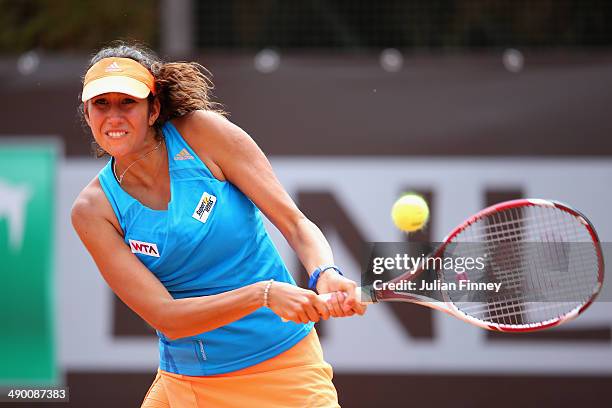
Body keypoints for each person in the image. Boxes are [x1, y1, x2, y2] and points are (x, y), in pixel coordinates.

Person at [71, 41, 366, 407]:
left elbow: (295, 223)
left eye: (127, 102)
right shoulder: (92, 210)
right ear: (87, 113)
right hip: (189, 383)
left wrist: (325, 272)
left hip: (286, 369)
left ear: (153, 108)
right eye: (101, 103)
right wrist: (264, 294)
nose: (113, 116)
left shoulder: (203, 134)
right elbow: (167, 317)